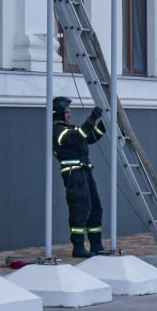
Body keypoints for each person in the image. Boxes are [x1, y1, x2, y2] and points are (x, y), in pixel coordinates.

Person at [52, 96, 106, 257]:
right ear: (58, 113)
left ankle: (96, 245)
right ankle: (78, 247)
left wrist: (104, 125)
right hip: (73, 174)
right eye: (66, 111)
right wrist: (92, 118)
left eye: (69, 111)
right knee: (80, 208)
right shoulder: (58, 132)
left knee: (95, 207)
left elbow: (89, 137)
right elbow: (78, 136)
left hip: (85, 171)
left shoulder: (70, 129)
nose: (69, 114)